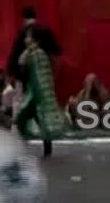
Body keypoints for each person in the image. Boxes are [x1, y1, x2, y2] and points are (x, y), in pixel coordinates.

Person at [15, 28, 66, 158]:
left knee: (22, 118)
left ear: (35, 41)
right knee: (39, 118)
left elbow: (22, 64)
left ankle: (20, 148)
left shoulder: (35, 54)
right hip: (41, 92)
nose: (25, 39)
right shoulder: (41, 53)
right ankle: (45, 147)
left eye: (28, 37)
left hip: (37, 93)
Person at [7, 7, 61, 83]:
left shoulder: (22, 34)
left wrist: (12, 73)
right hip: (46, 75)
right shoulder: (46, 31)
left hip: (29, 78)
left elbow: (15, 56)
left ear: (23, 19)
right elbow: (56, 54)